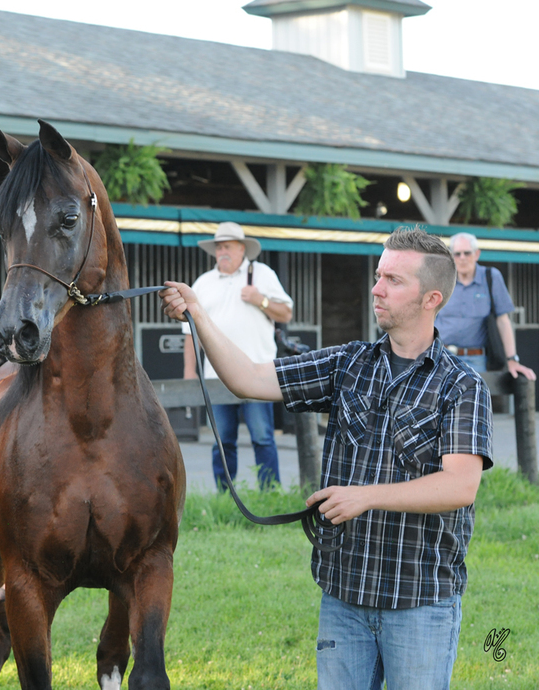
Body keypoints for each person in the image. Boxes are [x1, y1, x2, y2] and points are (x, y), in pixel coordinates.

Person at [162, 227, 491, 689]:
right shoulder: (348, 364)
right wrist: (198, 313)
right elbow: (248, 378)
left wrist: (365, 497)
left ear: (431, 298)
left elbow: (460, 486)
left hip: (420, 600)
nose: (377, 289)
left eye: (393, 280)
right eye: (378, 276)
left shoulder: (462, 385)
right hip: (343, 596)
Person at [182, 221, 293, 491]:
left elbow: (286, 313)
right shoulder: (203, 283)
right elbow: (190, 332)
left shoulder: (262, 274)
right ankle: (226, 495)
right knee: (222, 440)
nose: (222, 252)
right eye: (219, 247)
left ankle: (270, 493)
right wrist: (189, 370)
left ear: (242, 249)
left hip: (259, 373)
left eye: (228, 247)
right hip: (217, 375)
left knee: (262, 437)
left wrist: (260, 300)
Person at [435, 232, 536, 380]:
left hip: (477, 360)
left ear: (476, 254)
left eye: (467, 253)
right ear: (451, 256)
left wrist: (512, 359)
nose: (462, 258)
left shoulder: (491, 277)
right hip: (441, 357)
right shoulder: (441, 279)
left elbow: (503, 321)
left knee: (474, 395)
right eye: (457, 254)